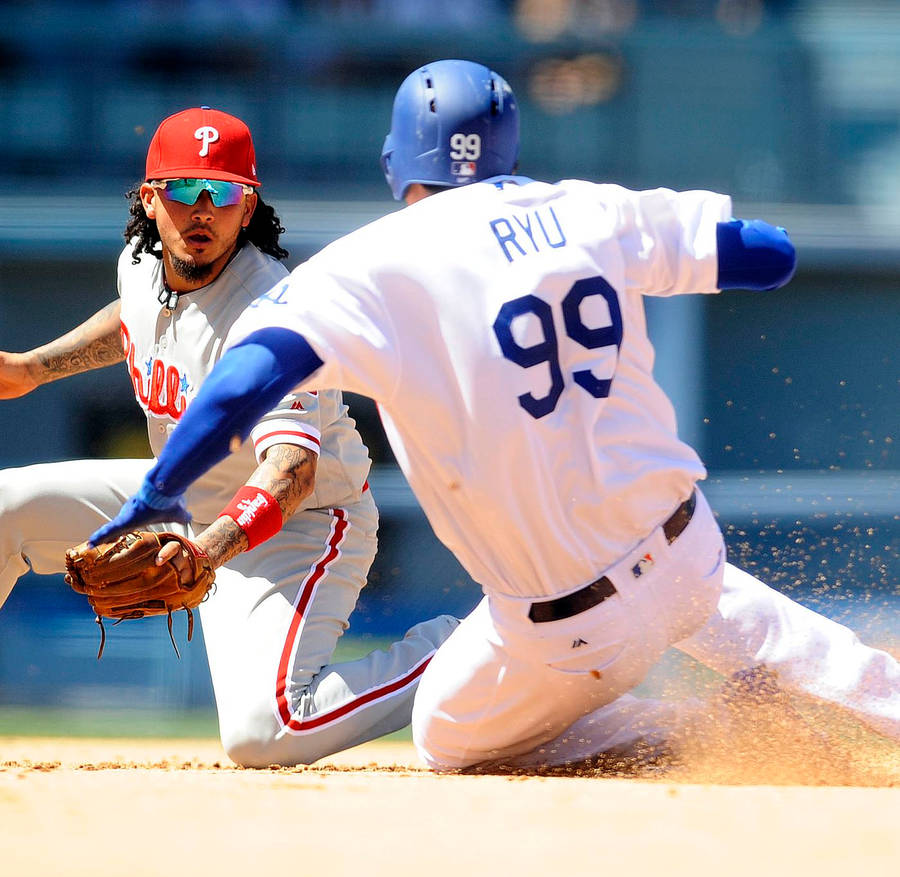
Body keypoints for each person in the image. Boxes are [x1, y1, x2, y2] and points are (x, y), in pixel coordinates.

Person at [90, 63, 900, 771]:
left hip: (564, 630)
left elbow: (244, 381)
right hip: (692, 560)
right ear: (507, 148)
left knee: (445, 737)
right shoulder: (589, 209)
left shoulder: (367, 268)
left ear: (392, 161)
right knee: (775, 632)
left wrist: (161, 490)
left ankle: (692, 733)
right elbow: (771, 255)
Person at [0, 106, 457, 768]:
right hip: (188, 501)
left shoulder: (271, 313)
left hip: (297, 526)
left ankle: (461, 650)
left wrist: (206, 553)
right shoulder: (142, 261)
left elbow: (291, 470)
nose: (204, 209)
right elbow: (137, 314)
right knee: (3, 508)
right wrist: (33, 369)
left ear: (250, 209)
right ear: (150, 200)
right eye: (186, 189)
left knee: (264, 733)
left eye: (226, 192)